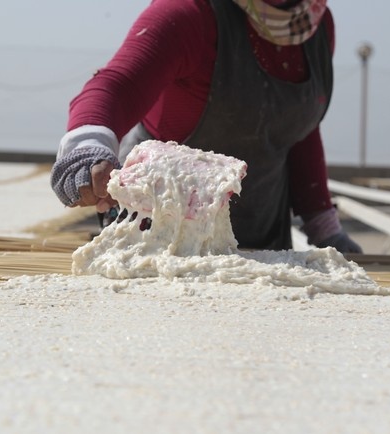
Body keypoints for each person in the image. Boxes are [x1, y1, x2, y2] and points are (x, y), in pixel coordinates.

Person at [51, 0, 362, 253]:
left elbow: (296, 128)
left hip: (264, 249)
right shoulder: (190, 13)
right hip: (158, 243)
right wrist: (86, 144)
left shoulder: (315, 25)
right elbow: (119, 85)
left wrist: (323, 225)